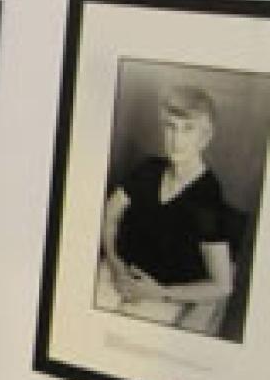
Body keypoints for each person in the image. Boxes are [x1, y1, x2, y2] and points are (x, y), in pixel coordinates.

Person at [97, 84, 238, 334]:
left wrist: (160, 293)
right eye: (170, 127)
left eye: (188, 129)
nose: (176, 138)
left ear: (205, 137)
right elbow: (108, 216)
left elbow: (223, 285)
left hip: (160, 296)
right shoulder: (149, 168)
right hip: (114, 274)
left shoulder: (207, 197)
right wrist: (115, 263)